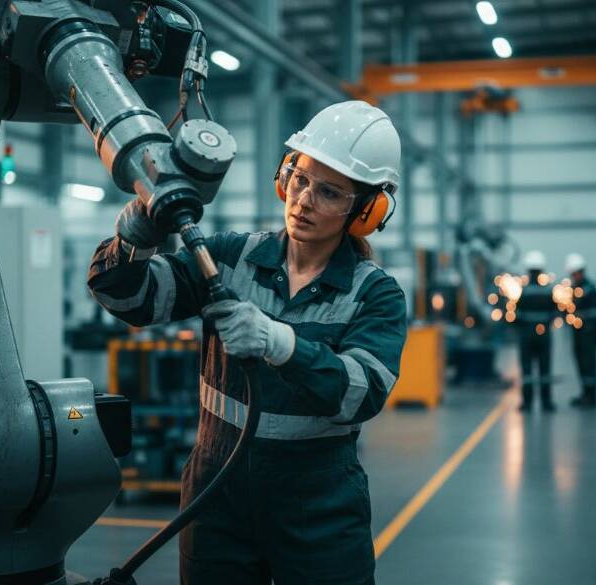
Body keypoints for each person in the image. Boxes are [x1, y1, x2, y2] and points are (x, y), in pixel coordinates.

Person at [88, 100, 407, 584]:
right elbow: (132, 300)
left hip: (318, 501)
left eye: (329, 192)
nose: (303, 201)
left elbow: (361, 394)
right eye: (299, 178)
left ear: (365, 210)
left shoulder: (375, 293)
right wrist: (136, 234)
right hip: (217, 493)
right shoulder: (229, 258)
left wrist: (280, 343)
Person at [565, 253, 596, 409]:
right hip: (578, 333)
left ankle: (591, 396)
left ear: (581, 272)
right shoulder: (573, 290)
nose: (574, 276)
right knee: (581, 364)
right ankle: (585, 393)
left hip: (589, 334)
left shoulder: (590, 289)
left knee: (589, 364)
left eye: (575, 273)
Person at [514, 250, 557, 412]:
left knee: (527, 370)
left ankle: (527, 403)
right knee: (545, 368)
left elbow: (515, 315)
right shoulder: (548, 291)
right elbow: (555, 312)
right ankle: (546, 403)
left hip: (526, 335)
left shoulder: (523, 291)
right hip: (544, 334)